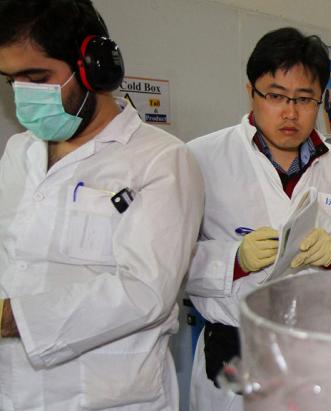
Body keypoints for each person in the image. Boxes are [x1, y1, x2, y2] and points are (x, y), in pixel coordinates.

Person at [0, 0, 204, 409]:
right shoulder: (18, 151)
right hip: (17, 392)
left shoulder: (161, 159)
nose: (24, 95)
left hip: (111, 396)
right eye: (11, 81)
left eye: (37, 78)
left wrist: (12, 317)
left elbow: (145, 291)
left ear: (93, 66)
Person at [185, 27, 331, 411]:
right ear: (251, 93)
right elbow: (170, 265)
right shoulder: (200, 158)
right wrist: (233, 261)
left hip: (321, 350)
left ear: (321, 100)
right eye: (275, 96)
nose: (290, 112)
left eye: (304, 99)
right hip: (236, 352)